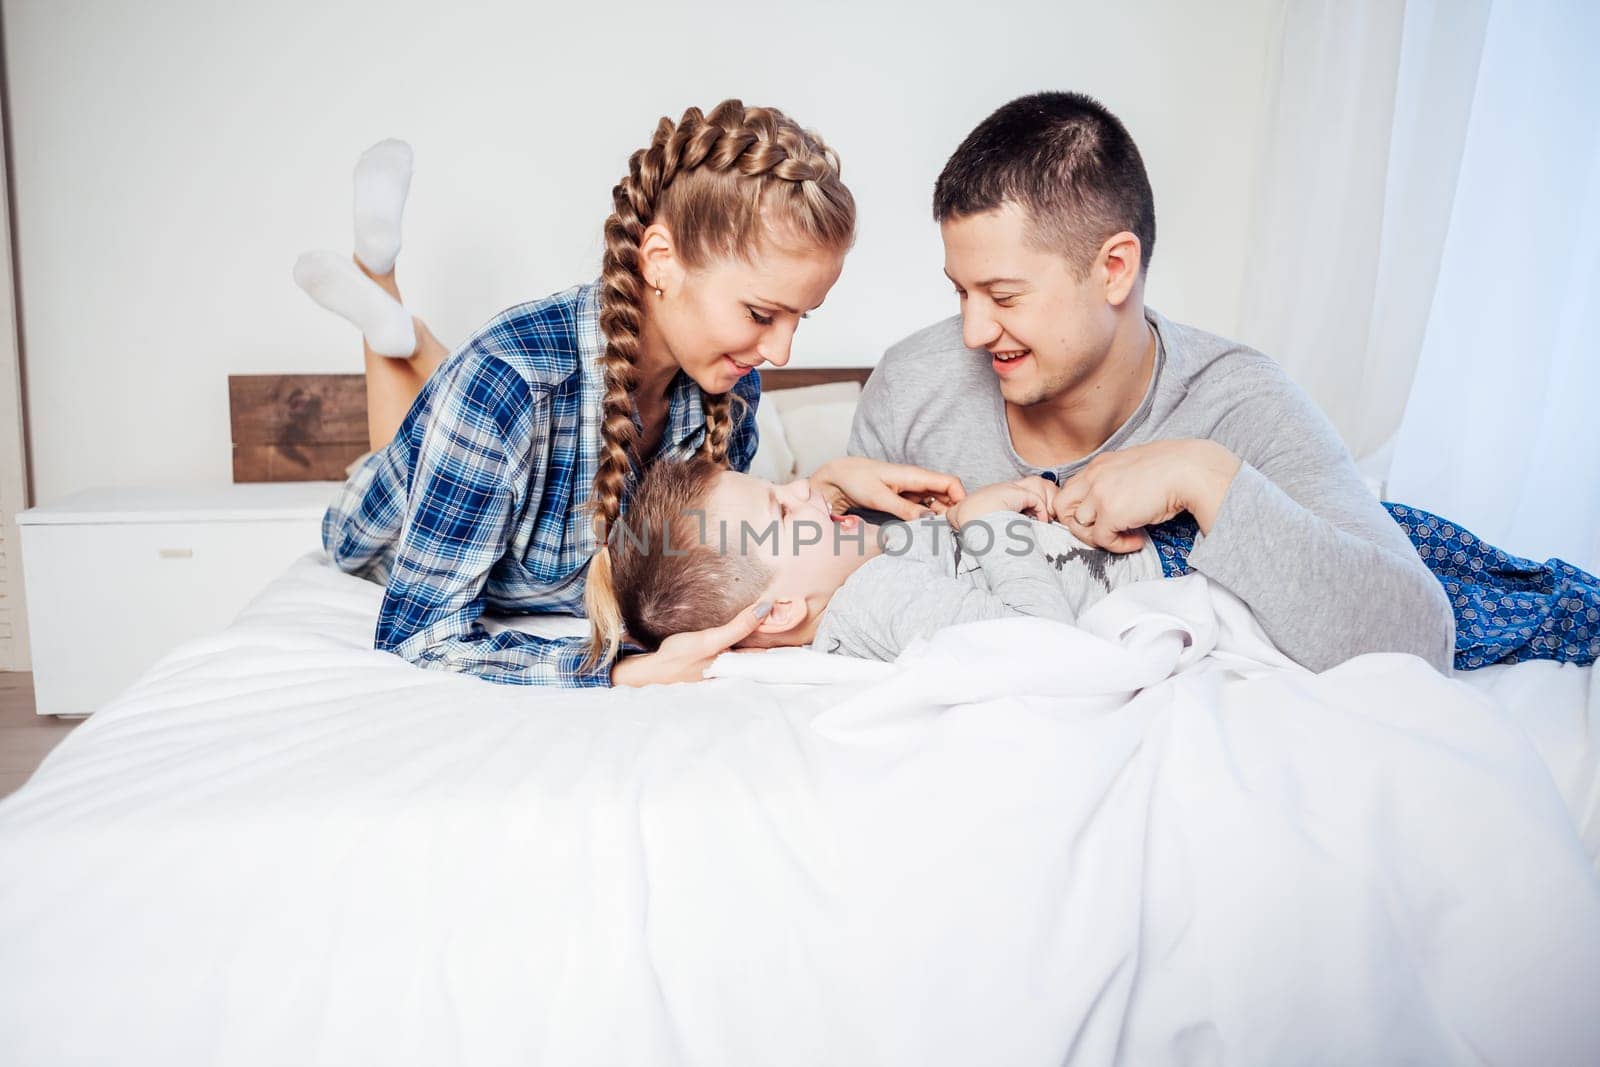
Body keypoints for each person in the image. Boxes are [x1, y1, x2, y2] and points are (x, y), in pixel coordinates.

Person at [292, 102, 962, 687]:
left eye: (799, 319)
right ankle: (379, 288)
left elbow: (707, 554)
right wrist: (616, 670)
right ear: (661, 261)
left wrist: (831, 488)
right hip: (381, 515)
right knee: (407, 439)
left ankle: (399, 329)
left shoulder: (729, 385)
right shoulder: (506, 383)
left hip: (494, 428)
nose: (781, 352)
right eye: (761, 315)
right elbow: (416, 635)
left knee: (450, 388)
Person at [848, 91, 1456, 673]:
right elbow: (814, 574)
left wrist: (1205, 478)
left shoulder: (1239, 404)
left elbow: (1421, 640)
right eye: (961, 291)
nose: (974, 330)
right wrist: (819, 501)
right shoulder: (912, 385)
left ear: (1114, 269)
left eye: (1004, 295)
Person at [606, 458, 1164, 662]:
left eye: (782, 483)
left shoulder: (855, 569)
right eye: (781, 508)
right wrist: (987, 519)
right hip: (1169, 562)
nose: (806, 486)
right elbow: (1044, 643)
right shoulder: (875, 598)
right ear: (779, 611)